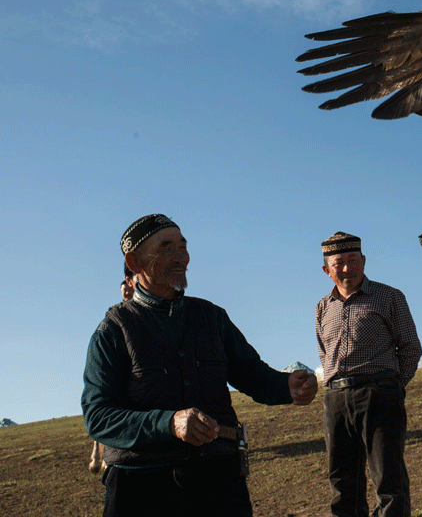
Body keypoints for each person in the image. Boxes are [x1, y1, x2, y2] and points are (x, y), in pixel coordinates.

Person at [82, 214, 318, 517]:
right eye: (166, 248)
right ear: (134, 261)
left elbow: (249, 372)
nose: (181, 257)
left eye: (183, 247)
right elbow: (99, 417)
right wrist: (168, 423)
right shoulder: (113, 331)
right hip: (139, 487)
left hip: (219, 482)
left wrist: (286, 386)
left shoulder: (212, 318)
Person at [315, 232, 422, 517]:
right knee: (341, 482)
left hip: (379, 395)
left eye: (353, 260)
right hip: (336, 400)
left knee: (388, 479)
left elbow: (411, 348)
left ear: (364, 261)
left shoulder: (389, 296)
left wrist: (391, 387)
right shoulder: (322, 308)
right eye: (339, 263)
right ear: (327, 270)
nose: (347, 268)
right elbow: (324, 354)